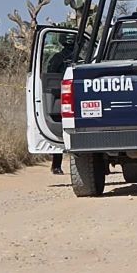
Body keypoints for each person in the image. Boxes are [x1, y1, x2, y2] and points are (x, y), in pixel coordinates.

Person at [46, 34, 75, 175]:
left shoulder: (80, 57)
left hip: (73, 96)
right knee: (61, 130)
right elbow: (51, 78)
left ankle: (56, 166)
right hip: (65, 96)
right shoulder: (59, 58)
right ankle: (56, 165)